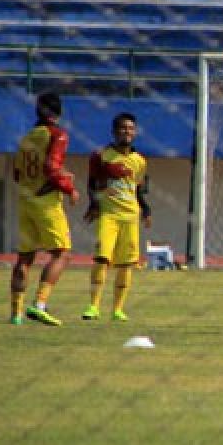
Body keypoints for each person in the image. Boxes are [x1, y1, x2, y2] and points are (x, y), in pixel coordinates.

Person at [10, 91, 80, 326]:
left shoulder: (27, 138)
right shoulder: (57, 135)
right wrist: (69, 187)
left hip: (25, 200)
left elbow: (18, 173)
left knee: (24, 258)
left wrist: (58, 174)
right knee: (62, 253)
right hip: (46, 202)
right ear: (59, 113)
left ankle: (16, 314)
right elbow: (51, 168)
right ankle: (39, 304)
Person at [82, 113, 151, 322]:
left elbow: (139, 191)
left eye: (130, 128)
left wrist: (146, 211)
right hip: (109, 215)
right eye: (122, 128)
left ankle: (118, 309)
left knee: (126, 264)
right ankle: (93, 306)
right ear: (114, 132)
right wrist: (94, 203)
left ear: (135, 132)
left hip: (130, 217)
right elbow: (91, 184)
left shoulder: (140, 161)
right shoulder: (101, 155)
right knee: (102, 258)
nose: (127, 132)